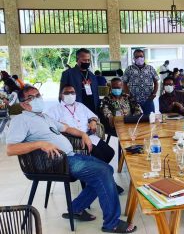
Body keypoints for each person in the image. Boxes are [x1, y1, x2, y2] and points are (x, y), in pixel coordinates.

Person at [6, 85, 136, 233]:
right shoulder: (21, 120)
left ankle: (76, 208)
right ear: (23, 103)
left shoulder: (43, 117)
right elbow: (10, 149)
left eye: (38, 95)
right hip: (54, 162)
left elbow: (66, 128)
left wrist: (83, 134)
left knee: (107, 169)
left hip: (68, 156)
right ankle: (111, 223)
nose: (38, 99)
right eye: (32, 97)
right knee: (102, 173)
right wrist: (40, 144)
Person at [60, 48, 99, 113]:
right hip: (75, 110)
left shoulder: (92, 75)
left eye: (88, 60)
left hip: (92, 109)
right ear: (77, 59)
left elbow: (96, 94)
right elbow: (61, 95)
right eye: (84, 60)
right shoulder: (68, 74)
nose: (87, 62)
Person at [123, 49, 159, 114]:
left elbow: (156, 81)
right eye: (137, 57)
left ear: (144, 57)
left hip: (148, 99)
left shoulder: (150, 68)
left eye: (141, 56)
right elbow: (124, 82)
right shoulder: (129, 69)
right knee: (135, 120)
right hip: (133, 101)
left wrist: (154, 94)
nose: (139, 58)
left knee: (150, 120)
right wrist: (128, 94)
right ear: (133, 58)